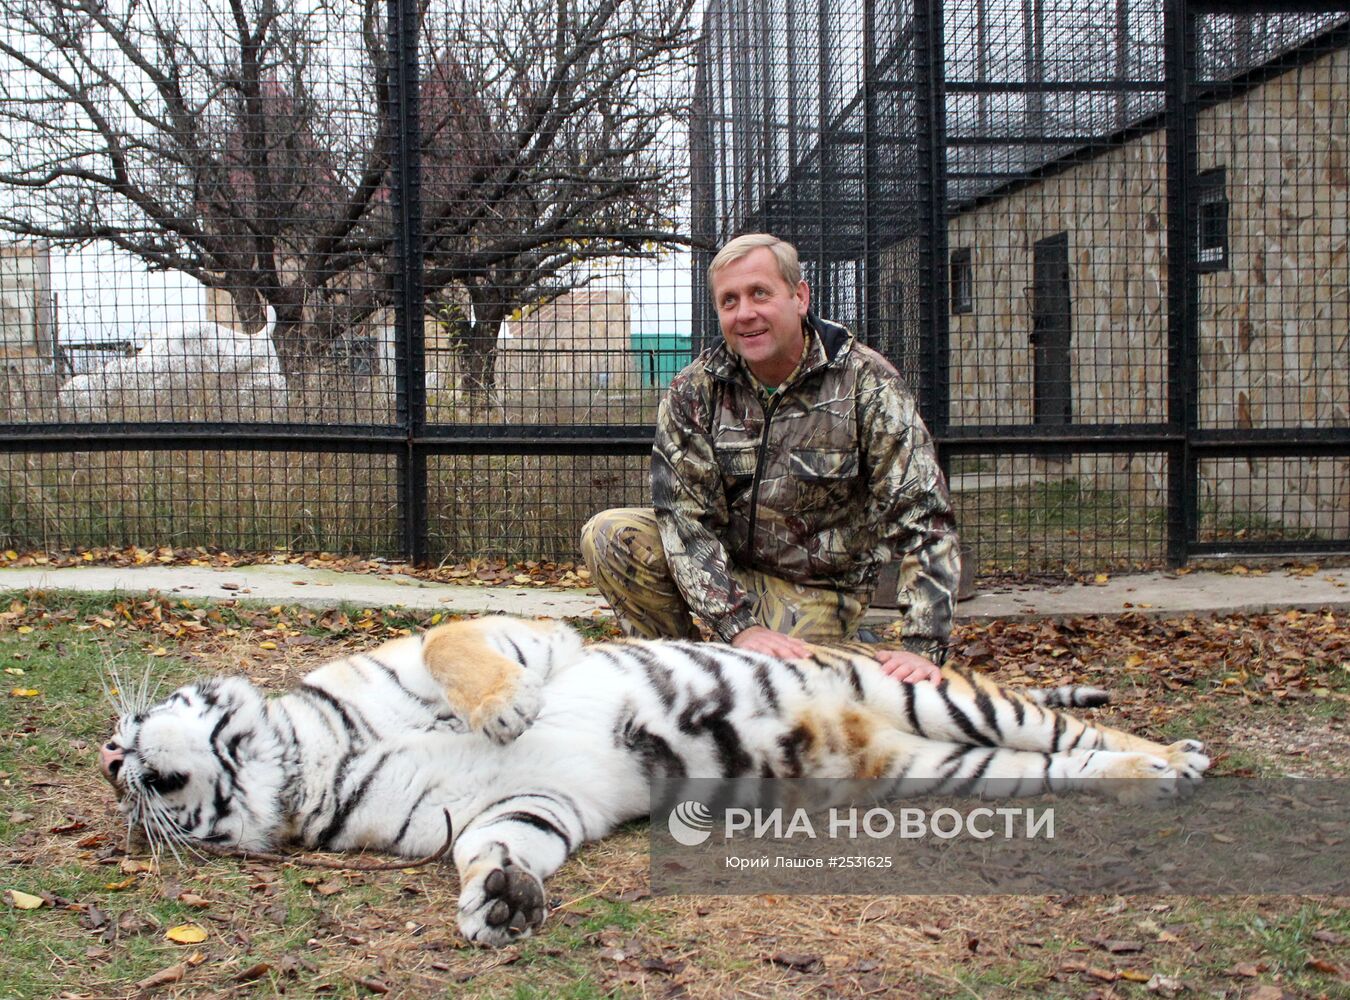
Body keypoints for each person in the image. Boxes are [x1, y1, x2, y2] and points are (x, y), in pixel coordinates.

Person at [581, 233, 960, 682]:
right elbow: (684, 521)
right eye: (729, 301)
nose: (745, 313)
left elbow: (923, 514)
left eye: (760, 293)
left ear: (799, 297)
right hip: (728, 569)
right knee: (610, 534)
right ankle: (677, 675)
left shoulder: (867, 383)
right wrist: (739, 626)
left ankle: (840, 648)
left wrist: (922, 644)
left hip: (818, 588)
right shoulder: (694, 390)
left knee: (774, 684)